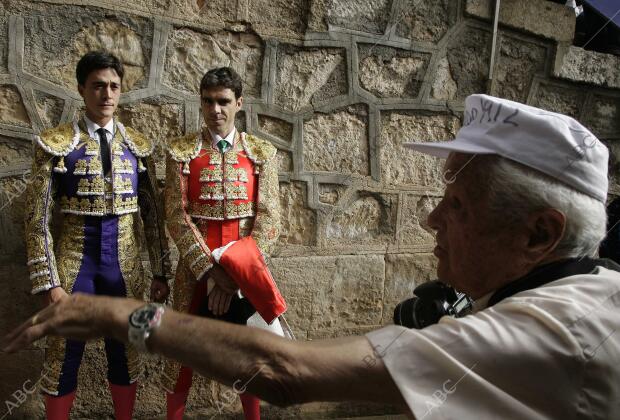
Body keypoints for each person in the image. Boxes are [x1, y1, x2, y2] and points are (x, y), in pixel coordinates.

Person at [7, 94, 620, 419]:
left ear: (540, 235)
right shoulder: (584, 293)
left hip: (238, 265)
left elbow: (287, 373)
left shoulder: (545, 332)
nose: (431, 218)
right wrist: (203, 264)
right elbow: (169, 214)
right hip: (195, 262)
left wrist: (122, 314)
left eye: (457, 206)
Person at [22, 51, 171, 420]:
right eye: (98, 86)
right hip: (74, 268)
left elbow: (152, 215)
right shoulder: (55, 144)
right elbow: (36, 218)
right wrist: (48, 283)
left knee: (129, 351)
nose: (107, 94)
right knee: (62, 353)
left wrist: (160, 272)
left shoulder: (139, 146)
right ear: (81, 90)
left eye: (114, 86)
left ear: (121, 91)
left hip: (127, 268)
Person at [159, 66, 285, 420]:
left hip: (245, 271)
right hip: (195, 270)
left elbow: (270, 219)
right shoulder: (181, 152)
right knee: (180, 354)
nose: (216, 110)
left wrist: (234, 275)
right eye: (208, 101)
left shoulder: (261, 153)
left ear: (239, 103)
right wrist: (212, 272)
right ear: (201, 103)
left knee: (250, 357)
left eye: (224, 101)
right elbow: (176, 216)